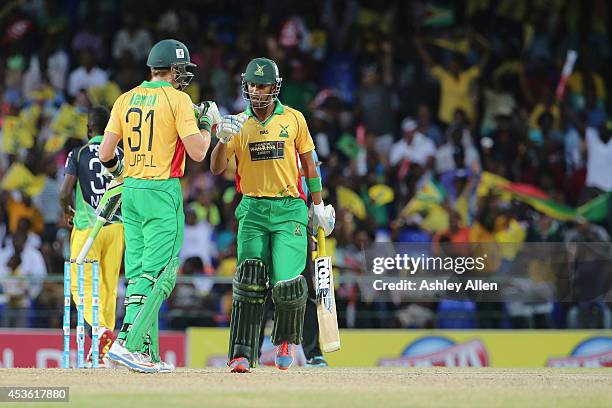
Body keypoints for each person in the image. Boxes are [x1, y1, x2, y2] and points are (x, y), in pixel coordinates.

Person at [99, 39, 238, 373]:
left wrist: (123, 174)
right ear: (174, 69)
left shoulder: (124, 98)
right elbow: (198, 152)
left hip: (131, 191)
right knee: (161, 273)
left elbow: (105, 155)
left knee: (137, 275)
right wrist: (207, 122)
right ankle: (128, 343)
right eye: (182, 71)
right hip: (162, 191)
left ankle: (145, 353)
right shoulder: (178, 100)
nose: (184, 77)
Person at [210, 57, 335, 373]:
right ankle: (241, 354)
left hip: (289, 209)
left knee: (288, 286)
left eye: (263, 85)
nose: (257, 91)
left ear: (275, 87)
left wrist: (318, 205)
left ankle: (285, 340)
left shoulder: (294, 119)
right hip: (252, 208)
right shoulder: (236, 124)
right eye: (252, 84)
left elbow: (309, 166)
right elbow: (216, 168)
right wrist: (222, 140)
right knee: (249, 281)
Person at [59, 106, 124, 367]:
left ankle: (99, 332)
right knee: (108, 289)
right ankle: (103, 348)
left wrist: (67, 213)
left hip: (88, 227)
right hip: (117, 227)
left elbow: (64, 192)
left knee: (80, 286)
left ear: (89, 129)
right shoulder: (120, 153)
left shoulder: (79, 153)